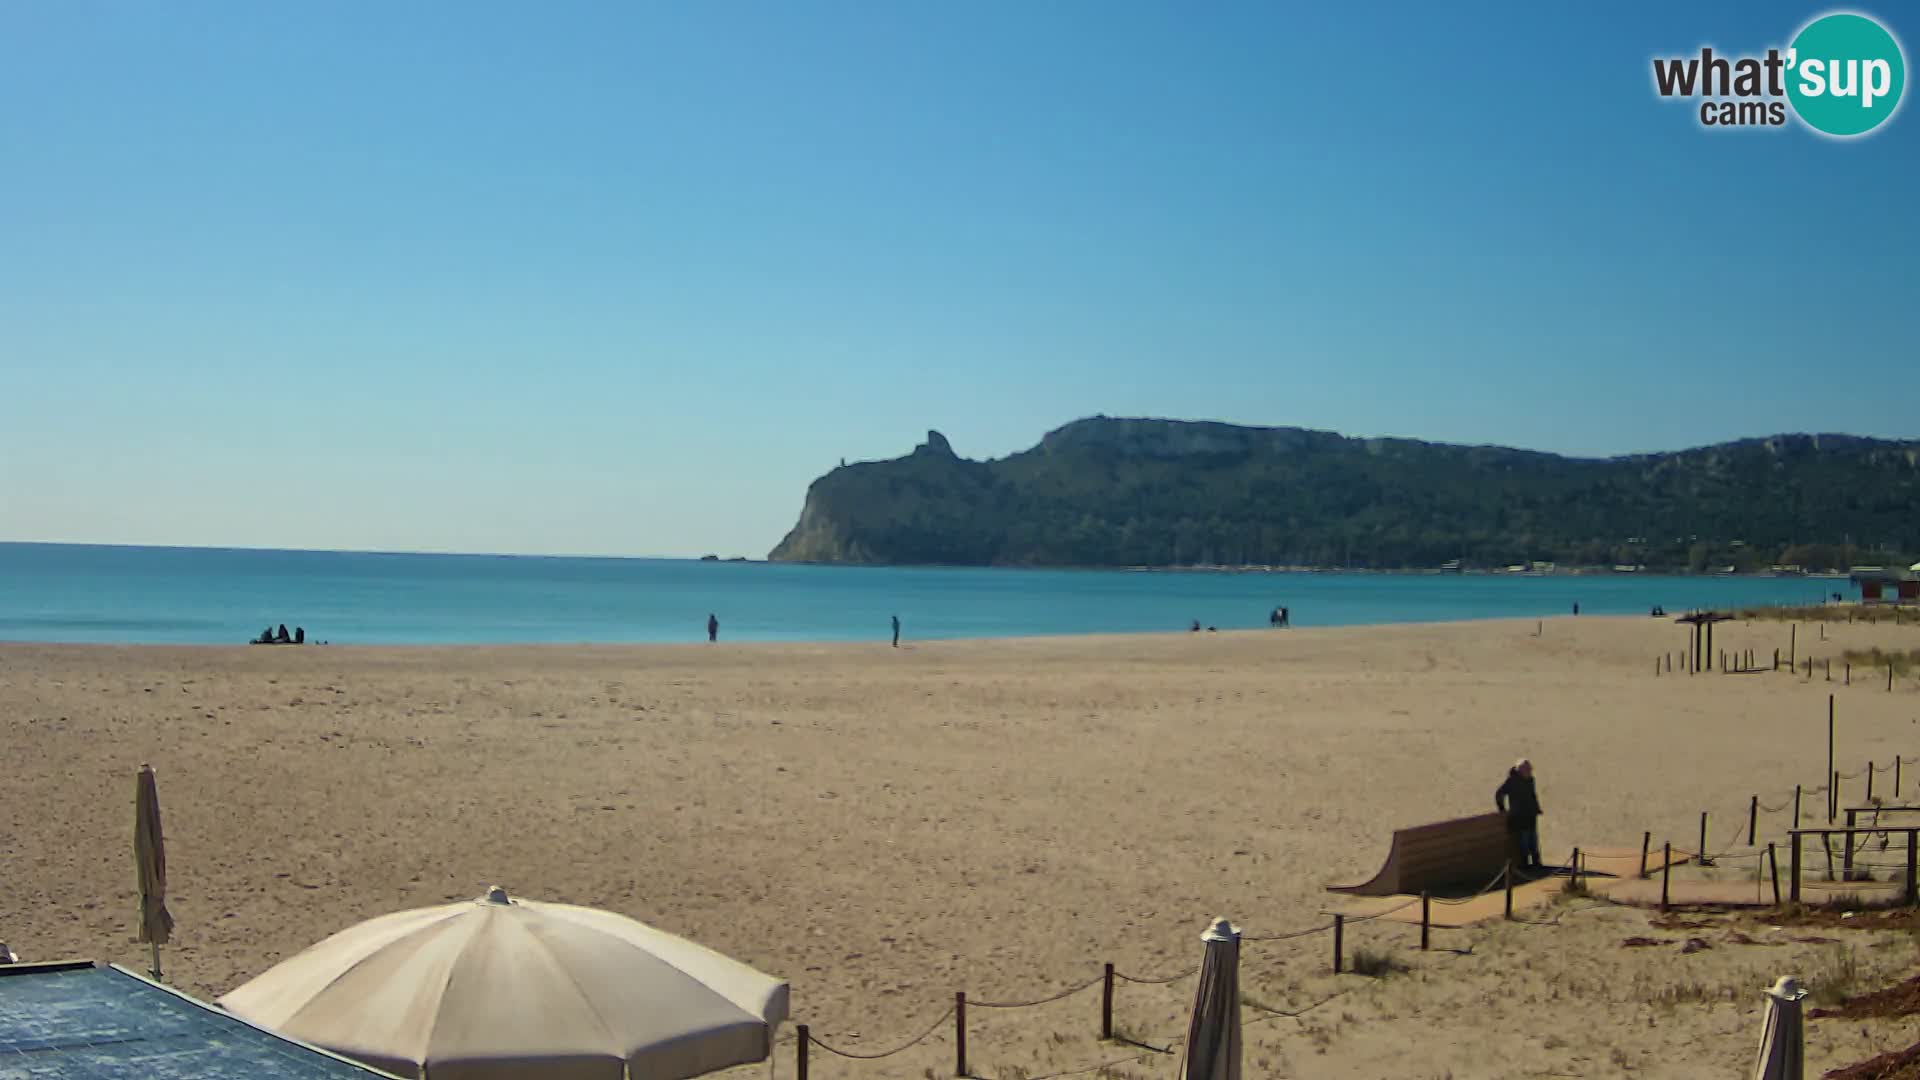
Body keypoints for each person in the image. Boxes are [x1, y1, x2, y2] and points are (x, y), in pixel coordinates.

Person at [1495, 759, 1544, 872]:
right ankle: (1525, 865)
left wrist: (1537, 808)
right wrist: (1502, 810)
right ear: (1521, 771)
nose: (1530, 772)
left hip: (1531, 815)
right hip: (1519, 816)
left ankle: (1536, 863)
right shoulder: (1512, 781)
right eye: (1527, 770)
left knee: (1533, 840)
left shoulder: (1531, 780)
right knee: (1524, 841)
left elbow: (1532, 796)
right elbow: (1499, 794)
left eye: (1530, 770)